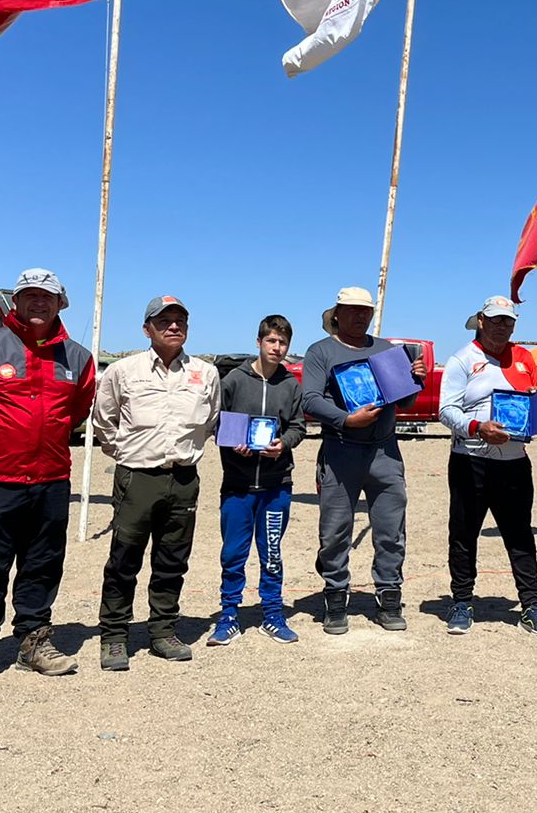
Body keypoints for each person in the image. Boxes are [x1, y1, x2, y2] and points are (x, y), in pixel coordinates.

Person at [0, 269, 95, 692]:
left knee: (43, 563)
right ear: (15, 301)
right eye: (29, 295)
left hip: (51, 479)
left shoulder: (78, 358)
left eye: (47, 296)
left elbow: (77, 411)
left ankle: (33, 640)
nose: (38, 303)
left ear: (61, 303)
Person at [93, 295, 221, 671]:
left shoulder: (205, 373)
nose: (174, 326)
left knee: (172, 559)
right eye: (164, 321)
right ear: (147, 329)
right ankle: (114, 635)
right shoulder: (124, 371)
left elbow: (210, 420)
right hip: (138, 477)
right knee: (124, 559)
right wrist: (126, 452)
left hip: (183, 478)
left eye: (180, 320)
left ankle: (163, 631)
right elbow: (104, 420)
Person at [302, 287, 426, 635]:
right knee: (335, 531)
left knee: (390, 530)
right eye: (352, 310)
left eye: (365, 311)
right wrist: (345, 420)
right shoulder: (320, 351)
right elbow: (309, 399)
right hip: (341, 450)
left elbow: (406, 403)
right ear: (337, 313)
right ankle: (335, 597)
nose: (360, 316)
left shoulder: (387, 350)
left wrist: (415, 379)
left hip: (385, 452)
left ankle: (389, 597)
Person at [437, 295, 537, 637]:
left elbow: (535, 400)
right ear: (481, 320)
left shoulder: (525, 358)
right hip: (470, 459)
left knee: (520, 535)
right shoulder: (463, 359)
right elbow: (446, 410)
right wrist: (477, 427)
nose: (502, 326)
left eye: (508, 321)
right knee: (464, 534)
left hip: (514, 462)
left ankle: (531, 605)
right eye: (496, 319)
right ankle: (462, 602)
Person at [209, 314, 308, 647]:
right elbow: (218, 424)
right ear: (259, 342)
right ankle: (228, 616)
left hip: (275, 486)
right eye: (271, 341)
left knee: (272, 554)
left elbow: (298, 426)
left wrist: (284, 444)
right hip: (237, 486)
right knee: (233, 554)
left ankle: (273, 614)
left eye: (283, 343)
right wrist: (232, 441)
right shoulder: (234, 380)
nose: (277, 348)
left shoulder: (290, 384)